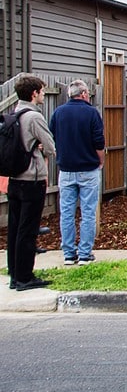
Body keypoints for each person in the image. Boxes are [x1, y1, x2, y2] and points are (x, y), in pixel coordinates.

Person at [5, 75, 57, 291]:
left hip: (14, 179)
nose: (43, 95)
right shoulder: (34, 117)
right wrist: (40, 148)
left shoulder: (14, 114)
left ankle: (15, 274)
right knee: (28, 230)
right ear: (34, 93)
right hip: (31, 179)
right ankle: (25, 277)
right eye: (42, 92)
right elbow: (51, 146)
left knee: (15, 228)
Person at [50, 79, 105, 266]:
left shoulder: (58, 113)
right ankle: (84, 254)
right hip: (88, 169)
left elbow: (52, 138)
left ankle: (68, 254)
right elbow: (99, 141)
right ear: (82, 94)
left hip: (65, 170)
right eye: (87, 93)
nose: (88, 96)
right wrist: (101, 161)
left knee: (66, 212)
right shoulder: (91, 113)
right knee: (88, 212)